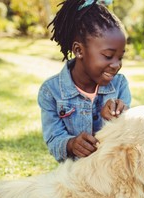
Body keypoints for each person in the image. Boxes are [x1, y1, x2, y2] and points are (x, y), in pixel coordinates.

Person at [38, 0, 131, 162]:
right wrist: (71, 144)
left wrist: (118, 119)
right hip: (75, 176)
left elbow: (129, 138)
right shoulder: (51, 91)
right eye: (108, 56)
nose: (116, 65)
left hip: (111, 173)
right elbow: (54, 140)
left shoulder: (120, 84)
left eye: (120, 57)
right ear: (79, 50)